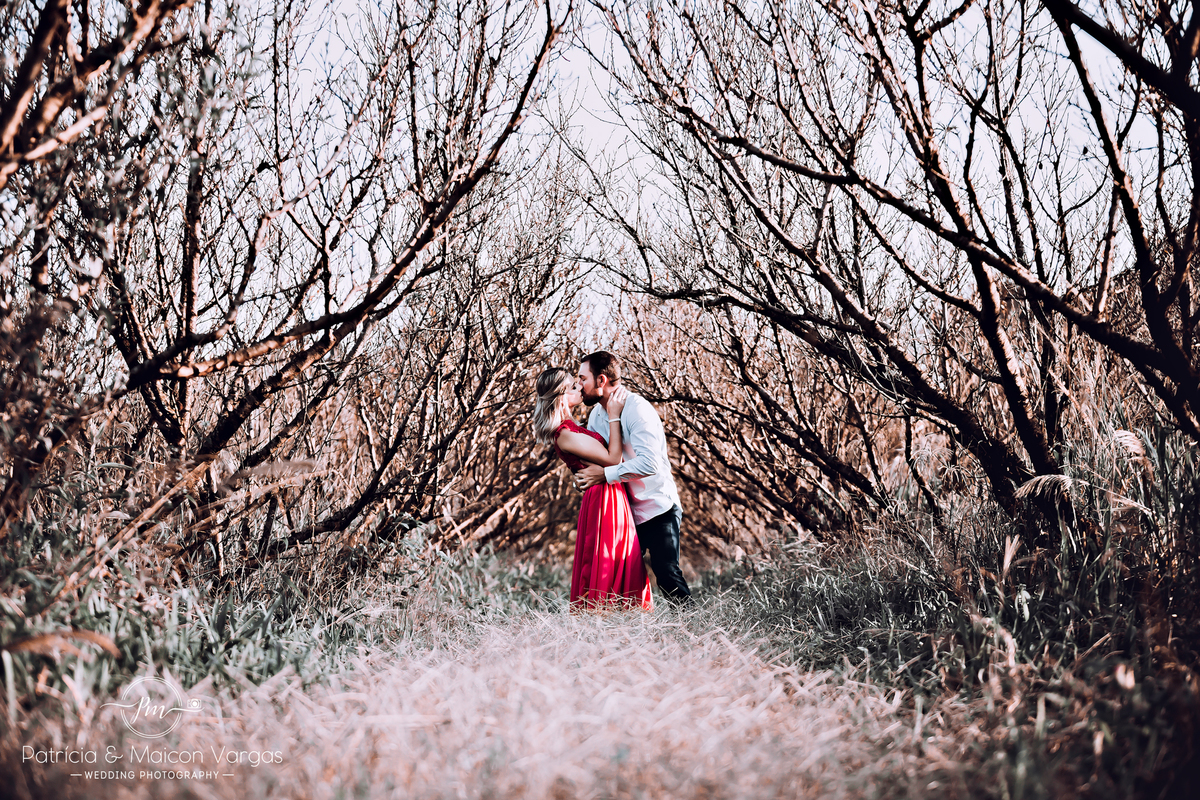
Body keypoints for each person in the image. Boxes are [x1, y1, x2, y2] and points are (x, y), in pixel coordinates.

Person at [574, 351, 692, 603]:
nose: (579, 384)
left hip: (657, 506)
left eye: (583, 378)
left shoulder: (637, 408)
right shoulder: (596, 415)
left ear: (601, 380)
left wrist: (604, 475)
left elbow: (650, 463)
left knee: (667, 574)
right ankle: (628, 626)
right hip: (622, 510)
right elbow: (598, 457)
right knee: (619, 578)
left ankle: (692, 623)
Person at [533, 367, 653, 612]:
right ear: (560, 397)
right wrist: (614, 415)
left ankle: (621, 617)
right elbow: (613, 459)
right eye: (572, 386)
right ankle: (604, 616)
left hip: (609, 492)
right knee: (606, 558)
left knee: (619, 556)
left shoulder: (571, 427)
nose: (579, 387)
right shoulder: (564, 433)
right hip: (603, 498)